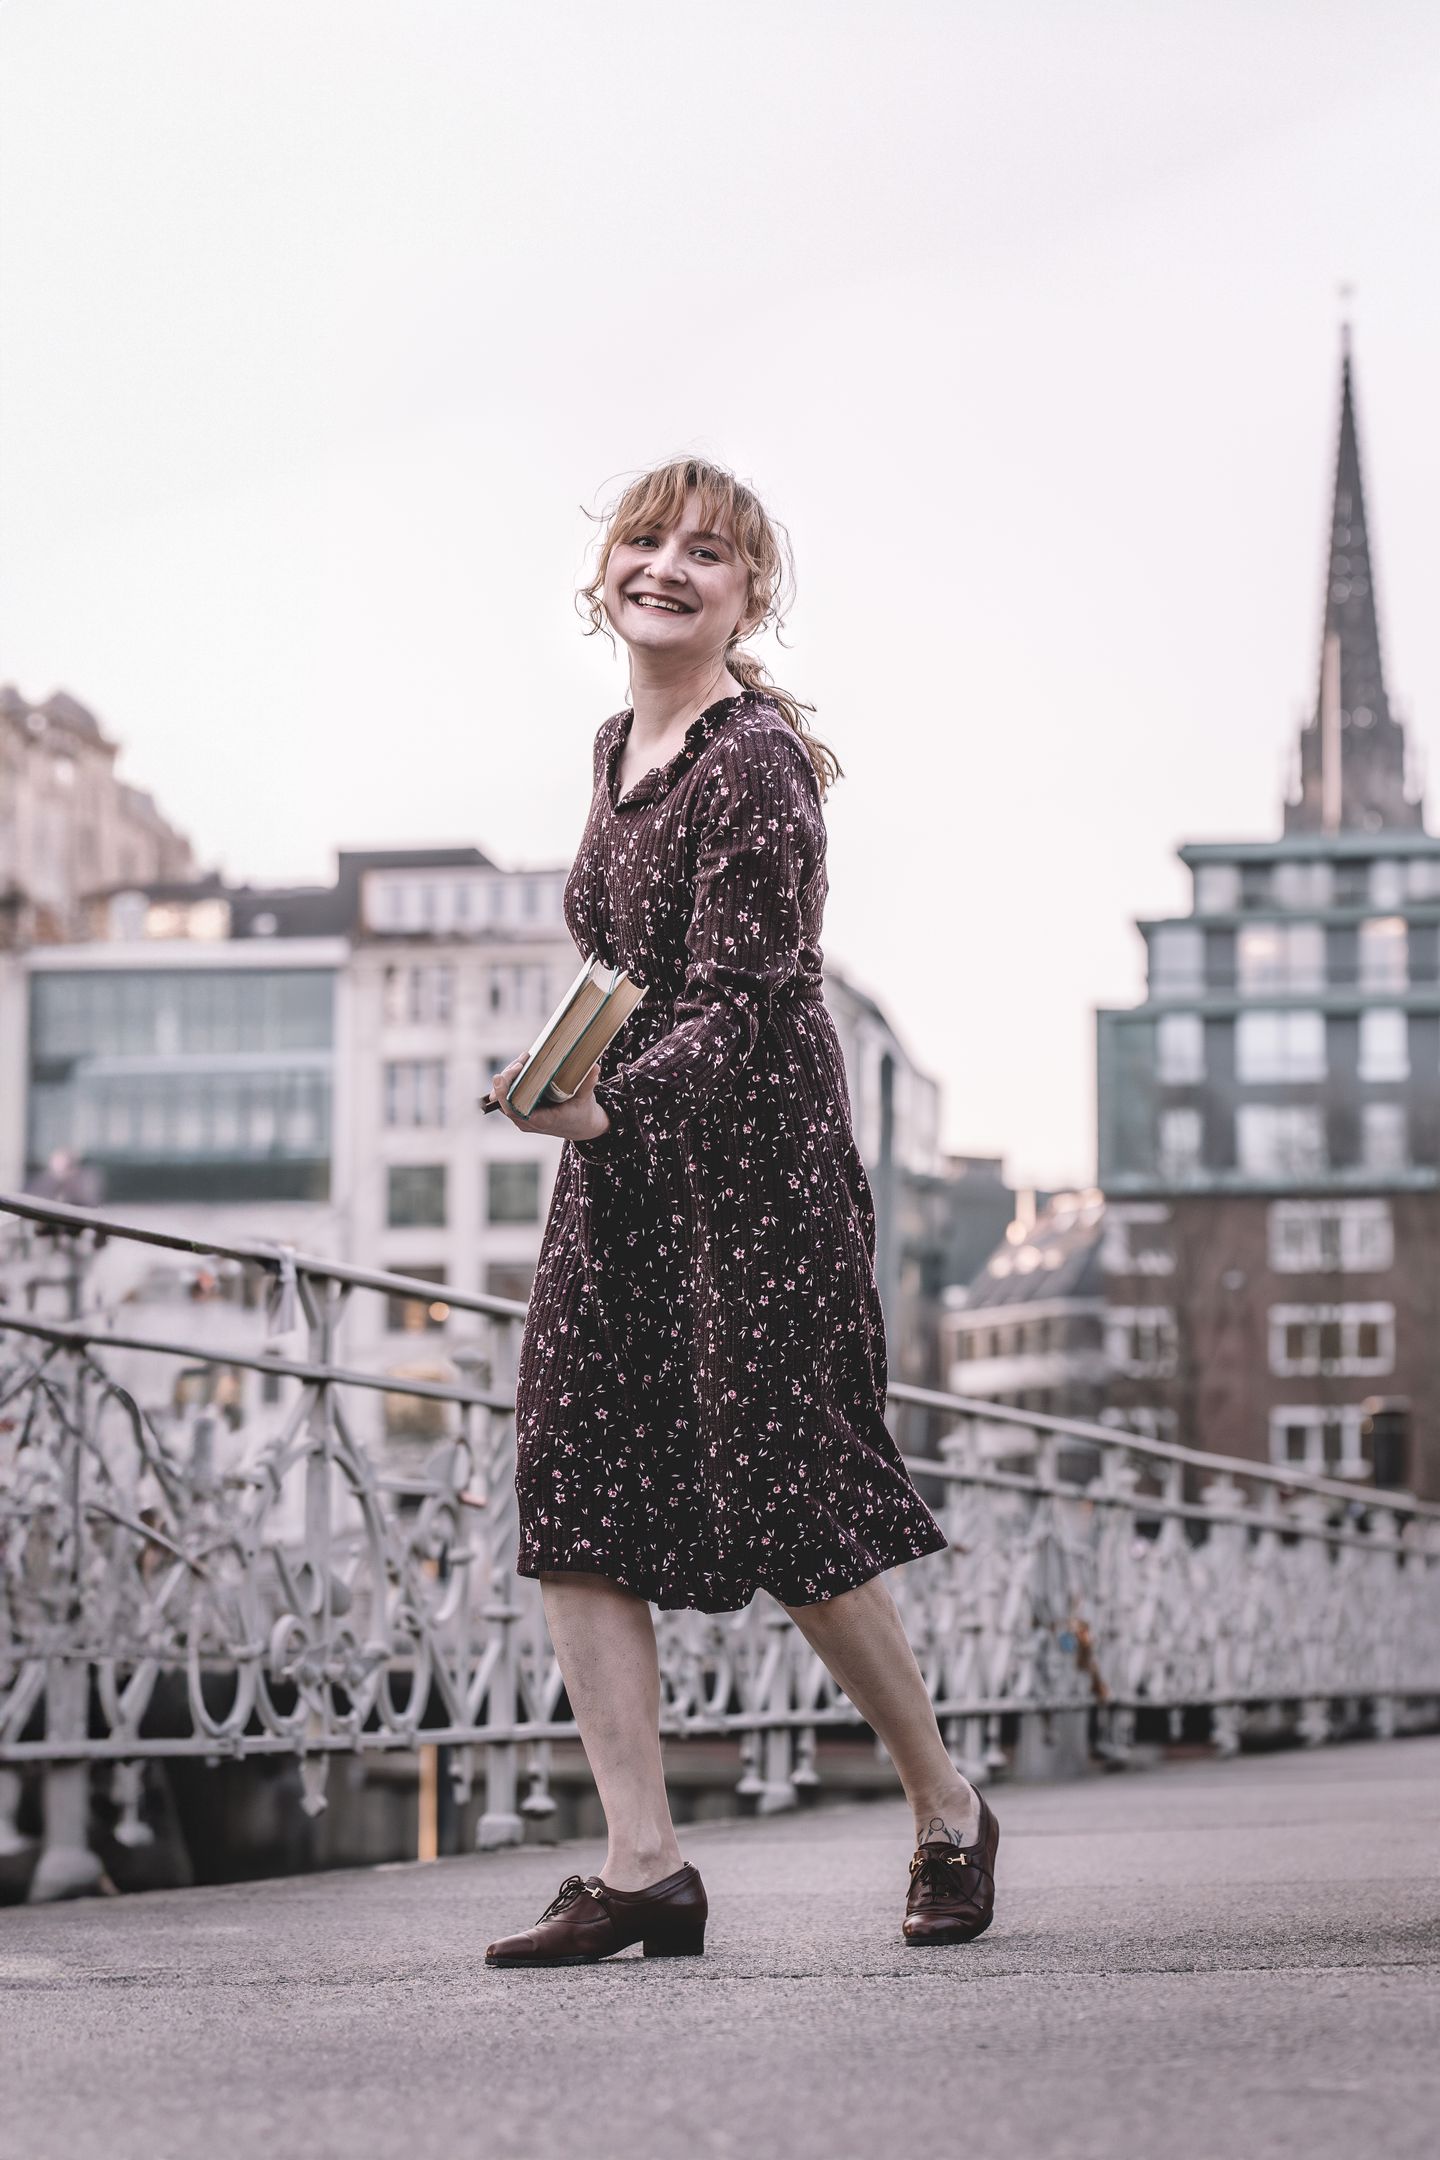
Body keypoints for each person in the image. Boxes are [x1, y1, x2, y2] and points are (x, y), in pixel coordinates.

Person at [483, 458, 997, 1967]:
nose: (666, 566)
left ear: (749, 594)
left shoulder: (754, 760)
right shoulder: (616, 744)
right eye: (645, 541)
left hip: (753, 1175)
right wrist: (555, 1074)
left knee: (789, 1494)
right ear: (606, 573)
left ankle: (947, 1807)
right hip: (625, 1165)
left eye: (706, 553)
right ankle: (643, 1865)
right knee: (573, 1477)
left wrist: (607, 1106)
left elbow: (752, 1000)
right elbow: (630, 969)